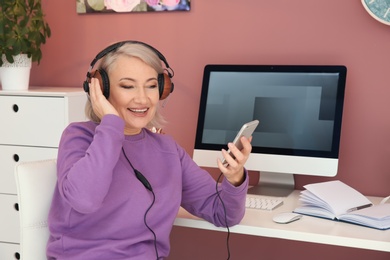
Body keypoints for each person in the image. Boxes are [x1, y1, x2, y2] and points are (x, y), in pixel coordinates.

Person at [47, 41, 252, 259]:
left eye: (152, 85)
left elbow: (224, 214)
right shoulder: (79, 137)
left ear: (163, 90)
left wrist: (235, 178)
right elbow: (85, 199)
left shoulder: (167, 149)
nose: (143, 98)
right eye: (128, 86)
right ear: (101, 89)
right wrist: (111, 124)